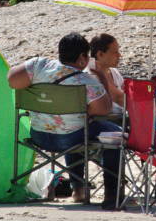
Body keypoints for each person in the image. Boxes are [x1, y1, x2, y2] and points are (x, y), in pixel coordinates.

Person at [7, 32, 122, 210]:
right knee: (114, 135)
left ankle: (78, 190)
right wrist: (101, 79)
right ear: (83, 58)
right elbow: (104, 109)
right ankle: (112, 195)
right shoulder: (88, 81)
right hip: (71, 138)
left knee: (76, 125)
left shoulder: (39, 65)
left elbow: (12, 80)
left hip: (39, 136)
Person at [88, 34, 124, 114]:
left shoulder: (114, 72)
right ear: (100, 54)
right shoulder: (91, 74)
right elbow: (119, 98)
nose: (119, 55)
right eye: (115, 52)